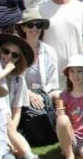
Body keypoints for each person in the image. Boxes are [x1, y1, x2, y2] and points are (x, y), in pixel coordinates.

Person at [16, 9, 61, 147]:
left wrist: (42, 95)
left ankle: (62, 129)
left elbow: (53, 81)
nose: (34, 28)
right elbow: (14, 80)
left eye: (38, 25)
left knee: (60, 95)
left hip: (44, 92)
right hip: (21, 93)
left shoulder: (49, 51)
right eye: (30, 25)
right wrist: (28, 94)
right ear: (23, 27)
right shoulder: (16, 51)